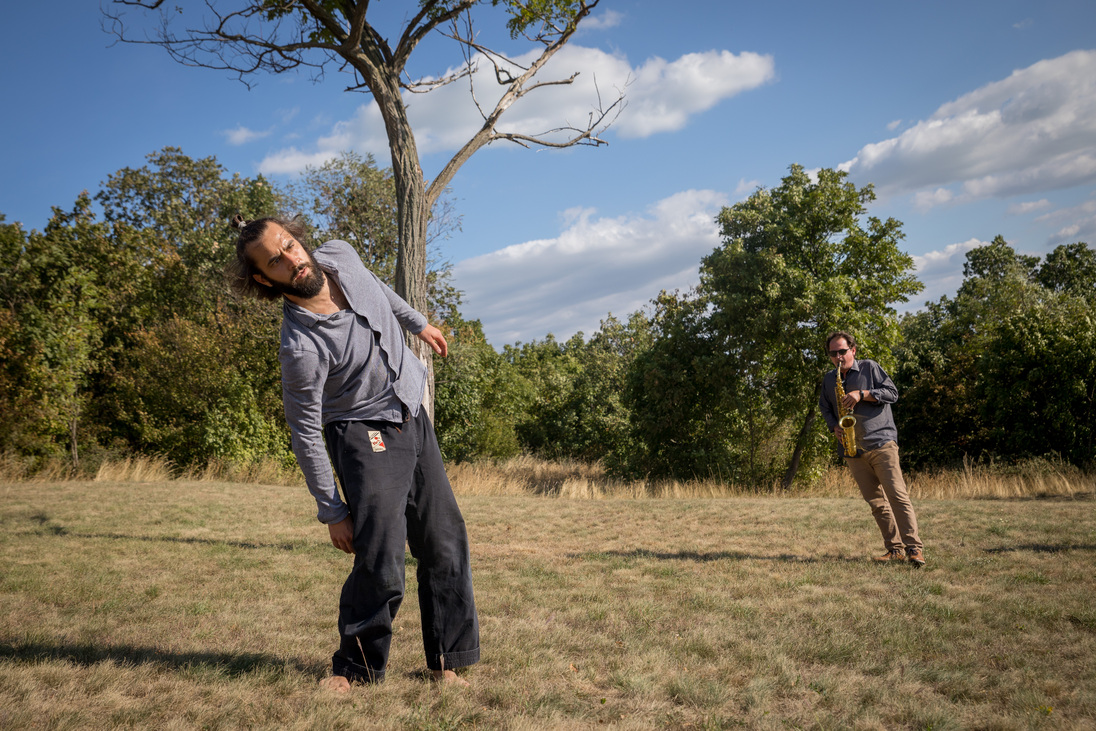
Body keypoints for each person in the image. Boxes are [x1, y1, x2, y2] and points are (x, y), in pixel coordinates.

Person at [229, 214, 480, 689]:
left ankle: (448, 660)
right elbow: (304, 428)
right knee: (382, 554)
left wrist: (418, 323)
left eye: (288, 246)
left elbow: (377, 288)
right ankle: (355, 668)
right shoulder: (301, 344)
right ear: (264, 279)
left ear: (298, 240)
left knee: (445, 539)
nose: (291, 260)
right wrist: (332, 509)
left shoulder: (341, 254)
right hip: (364, 432)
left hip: (410, 407)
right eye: (275, 262)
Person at [819, 331, 925, 567]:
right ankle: (894, 549)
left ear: (853, 350)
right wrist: (833, 426)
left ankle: (914, 549)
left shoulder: (870, 368)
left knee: (897, 496)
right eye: (833, 353)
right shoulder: (829, 379)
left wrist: (862, 394)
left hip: (881, 442)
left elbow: (892, 393)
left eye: (842, 351)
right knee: (876, 503)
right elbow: (824, 407)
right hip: (852, 448)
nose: (838, 357)